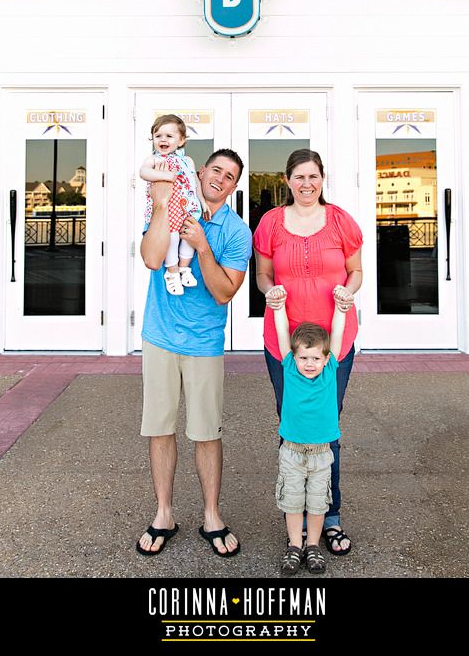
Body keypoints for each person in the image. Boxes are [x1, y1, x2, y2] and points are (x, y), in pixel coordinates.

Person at [137, 149, 252, 558]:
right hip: (160, 336)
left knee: (206, 432)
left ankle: (211, 516)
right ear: (200, 172)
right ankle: (164, 513)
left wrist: (202, 246)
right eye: (216, 170)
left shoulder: (237, 232)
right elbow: (152, 258)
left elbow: (224, 293)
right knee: (160, 427)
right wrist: (164, 203)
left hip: (204, 342)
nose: (220, 178)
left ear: (235, 186)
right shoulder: (167, 202)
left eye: (230, 176)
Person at [253, 148, 363, 557]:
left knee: (326, 426)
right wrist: (271, 293)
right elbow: (263, 274)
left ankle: (329, 516)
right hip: (284, 343)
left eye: (313, 176)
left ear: (322, 178)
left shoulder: (340, 221)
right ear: (287, 181)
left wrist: (348, 293)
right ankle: (294, 516)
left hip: (334, 342)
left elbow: (357, 270)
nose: (306, 184)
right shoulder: (270, 223)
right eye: (299, 177)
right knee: (292, 423)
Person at [269, 284, 346, 575]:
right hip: (291, 451)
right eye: (304, 357)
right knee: (292, 501)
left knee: (316, 503)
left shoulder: (329, 370)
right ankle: (294, 545)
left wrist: (340, 309)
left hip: (321, 453)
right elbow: (281, 333)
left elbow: (336, 336)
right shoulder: (289, 367)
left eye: (315, 358)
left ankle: (312, 545)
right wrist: (279, 306)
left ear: (326, 359)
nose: (309, 363)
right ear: (294, 356)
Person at [140, 114, 210, 296]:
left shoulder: (187, 161)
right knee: (171, 239)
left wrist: (202, 202)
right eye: (158, 136)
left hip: (186, 207)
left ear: (181, 141)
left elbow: (194, 183)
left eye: (169, 136)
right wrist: (165, 176)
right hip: (168, 209)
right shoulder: (155, 160)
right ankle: (171, 273)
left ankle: (184, 269)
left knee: (187, 237)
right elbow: (144, 172)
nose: (163, 140)